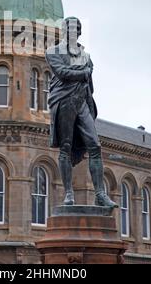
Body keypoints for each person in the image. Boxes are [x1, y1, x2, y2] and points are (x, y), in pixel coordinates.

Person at [45, 17, 118, 208]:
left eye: (76, 29)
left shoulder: (86, 56)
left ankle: (100, 194)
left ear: (79, 32)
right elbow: (62, 72)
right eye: (69, 29)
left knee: (95, 146)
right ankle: (68, 193)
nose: (73, 32)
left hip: (82, 102)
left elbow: (88, 80)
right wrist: (83, 72)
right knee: (65, 147)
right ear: (63, 32)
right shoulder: (53, 52)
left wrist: (84, 74)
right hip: (63, 101)